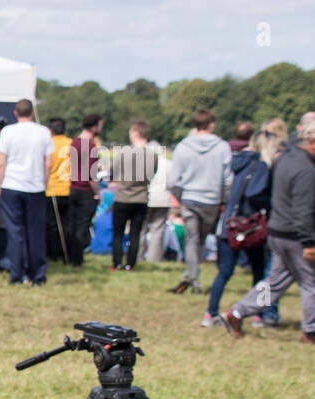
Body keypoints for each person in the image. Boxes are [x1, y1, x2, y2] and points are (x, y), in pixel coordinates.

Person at [222, 114, 315, 344]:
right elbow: (303, 210)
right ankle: (311, 331)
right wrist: (309, 242)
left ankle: (237, 313)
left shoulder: (285, 158)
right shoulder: (307, 170)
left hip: (277, 231)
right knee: (310, 282)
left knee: (273, 283)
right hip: (296, 235)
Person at [204, 129, 281, 327]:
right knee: (260, 274)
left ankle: (210, 313)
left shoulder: (237, 162)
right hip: (250, 226)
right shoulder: (261, 166)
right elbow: (255, 193)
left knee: (224, 272)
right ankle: (259, 313)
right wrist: (270, 204)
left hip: (229, 223)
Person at [167, 108, 231, 294]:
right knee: (200, 241)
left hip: (190, 198)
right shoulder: (222, 147)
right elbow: (227, 180)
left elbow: (173, 181)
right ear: (211, 124)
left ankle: (191, 278)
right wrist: (223, 200)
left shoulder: (183, 147)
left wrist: (180, 197)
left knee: (191, 240)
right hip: (211, 200)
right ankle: (193, 278)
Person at [0, 98, 54, 285]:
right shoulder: (43, 132)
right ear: (32, 112)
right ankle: (37, 275)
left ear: (15, 113)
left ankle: (16, 275)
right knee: (35, 233)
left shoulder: (8, 132)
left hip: (11, 185)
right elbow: (48, 163)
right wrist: (43, 184)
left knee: (15, 233)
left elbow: (0, 163)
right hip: (35, 187)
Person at [109, 120, 156, 271]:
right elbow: (152, 174)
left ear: (135, 133)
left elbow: (113, 173)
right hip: (141, 198)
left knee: (118, 233)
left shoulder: (123, 153)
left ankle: (117, 263)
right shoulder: (152, 155)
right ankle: (131, 264)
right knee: (135, 234)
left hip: (123, 197)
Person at [63, 113, 104, 266]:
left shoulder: (74, 143)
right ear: (94, 127)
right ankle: (76, 259)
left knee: (71, 225)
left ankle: (67, 257)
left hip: (72, 188)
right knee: (82, 226)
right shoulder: (90, 146)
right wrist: (97, 193)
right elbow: (91, 175)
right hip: (85, 191)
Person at [45, 117, 72, 261]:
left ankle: (52, 254)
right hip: (68, 190)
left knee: (51, 226)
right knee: (67, 225)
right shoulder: (71, 144)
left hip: (51, 190)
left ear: (51, 130)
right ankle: (65, 253)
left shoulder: (49, 145)